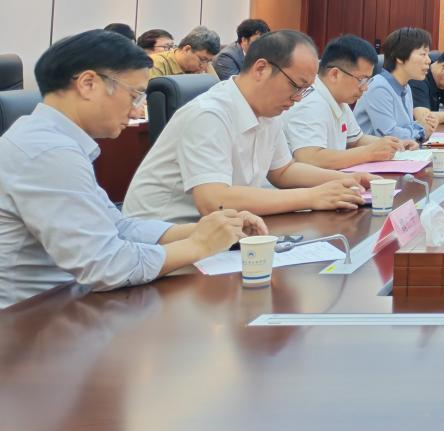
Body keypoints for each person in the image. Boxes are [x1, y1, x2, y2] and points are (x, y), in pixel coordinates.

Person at [0, 31, 265, 310]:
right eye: (135, 95)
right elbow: (107, 267)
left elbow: (118, 227)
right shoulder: (49, 153)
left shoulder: (51, 140)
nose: (138, 111)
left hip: (67, 305)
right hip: (31, 320)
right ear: (88, 84)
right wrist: (199, 246)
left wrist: (211, 229)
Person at [124, 30, 366, 222]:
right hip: (165, 235)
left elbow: (283, 171)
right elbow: (214, 201)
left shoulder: (269, 112)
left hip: (220, 230)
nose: (298, 98)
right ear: (261, 69)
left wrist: (347, 180)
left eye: (305, 90)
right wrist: (311, 197)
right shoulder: (210, 114)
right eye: (296, 86)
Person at [286, 35, 418, 169]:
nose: (365, 88)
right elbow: (310, 159)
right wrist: (369, 153)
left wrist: (395, 144)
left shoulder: (339, 99)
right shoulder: (311, 103)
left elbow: (356, 140)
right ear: (334, 74)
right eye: (362, 79)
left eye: (368, 80)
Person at [355, 26, 432, 141]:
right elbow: (389, 135)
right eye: (423, 54)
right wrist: (422, 130)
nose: (429, 60)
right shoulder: (379, 87)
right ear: (400, 57)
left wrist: (424, 126)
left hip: (399, 151)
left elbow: (406, 127)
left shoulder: (406, 87)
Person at [147, 26, 220, 78]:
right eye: (202, 60)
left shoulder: (202, 64)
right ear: (187, 49)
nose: (203, 67)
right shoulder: (155, 64)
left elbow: (217, 89)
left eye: (208, 61)